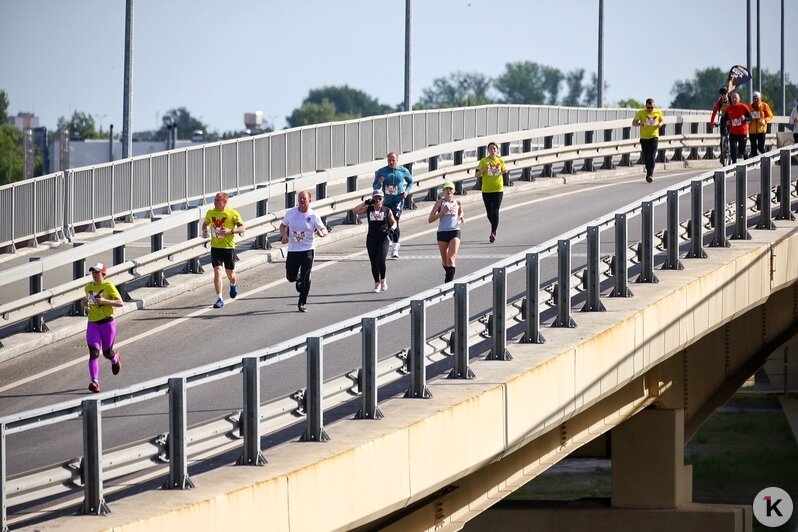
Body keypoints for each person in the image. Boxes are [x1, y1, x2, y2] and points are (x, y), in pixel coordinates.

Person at [280, 190, 328, 312]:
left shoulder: (313, 216)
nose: (302, 201)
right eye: (300, 198)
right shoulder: (291, 213)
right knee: (290, 277)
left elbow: (323, 229)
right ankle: (298, 278)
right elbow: (283, 225)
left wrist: (322, 233)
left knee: (306, 278)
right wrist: (284, 235)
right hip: (293, 250)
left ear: (309, 201)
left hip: (307, 250)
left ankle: (302, 303)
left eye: (304, 199)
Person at [82, 262, 124, 393]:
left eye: (97, 272)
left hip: (107, 323)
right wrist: (83, 303)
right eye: (93, 272)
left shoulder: (108, 286)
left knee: (107, 352)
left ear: (103, 274)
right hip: (93, 324)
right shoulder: (88, 288)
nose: (94, 275)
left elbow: (120, 303)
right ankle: (94, 382)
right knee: (94, 353)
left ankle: (115, 359)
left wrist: (105, 301)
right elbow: (88, 302)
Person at [201, 191, 245, 309]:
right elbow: (205, 224)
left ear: (225, 201)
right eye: (214, 200)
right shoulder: (211, 212)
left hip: (228, 247)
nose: (214, 202)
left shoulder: (232, 213)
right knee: (217, 272)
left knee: (230, 274)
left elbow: (242, 228)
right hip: (215, 247)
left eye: (217, 200)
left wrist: (230, 231)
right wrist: (205, 230)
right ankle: (219, 298)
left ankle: (233, 283)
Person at [351, 189, 397, 292]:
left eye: (379, 199)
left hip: (383, 238)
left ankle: (383, 280)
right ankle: (377, 283)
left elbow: (394, 222)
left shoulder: (387, 210)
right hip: (371, 238)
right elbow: (354, 211)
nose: (377, 201)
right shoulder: (369, 208)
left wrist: (391, 229)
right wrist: (365, 203)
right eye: (375, 199)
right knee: (373, 262)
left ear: (383, 200)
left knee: (380, 260)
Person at [373, 152, 413, 258]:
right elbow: (375, 186)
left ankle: (395, 248)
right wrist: (379, 182)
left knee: (395, 220)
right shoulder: (382, 171)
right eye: (389, 160)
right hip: (386, 201)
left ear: (397, 160)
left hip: (398, 200)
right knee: (387, 223)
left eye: (393, 160)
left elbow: (411, 181)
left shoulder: (403, 170)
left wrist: (407, 192)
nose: (391, 162)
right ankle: (392, 239)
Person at [428, 181, 464, 283]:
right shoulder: (439, 203)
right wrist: (442, 212)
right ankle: (448, 273)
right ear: (443, 191)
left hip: (455, 231)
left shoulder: (458, 202)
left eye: (450, 189)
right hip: (442, 233)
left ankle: (448, 284)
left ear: (454, 191)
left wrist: (461, 216)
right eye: (446, 189)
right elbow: (430, 219)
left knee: (451, 259)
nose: (448, 191)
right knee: (445, 261)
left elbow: (461, 211)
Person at [475, 141, 506, 242]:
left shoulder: (500, 160)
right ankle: (494, 226)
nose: (492, 150)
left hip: (498, 189)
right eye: (490, 149)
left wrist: (505, 171)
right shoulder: (484, 161)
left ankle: (493, 232)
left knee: (495, 211)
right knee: (489, 213)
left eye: (494, 149)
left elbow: (504, 170)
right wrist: (484, 169)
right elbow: (476, 175)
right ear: (488, 150)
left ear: (497, 150)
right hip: (487, 190)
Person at [632, 98, 664, 183]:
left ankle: (650, 174)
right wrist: (640, 124)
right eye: (648, 108)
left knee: (652, 156)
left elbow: (662, 120)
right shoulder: (641, 112)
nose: (650, 109)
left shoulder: (658, 112)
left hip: (654, 137)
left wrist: (660, 124)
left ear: (654, 106)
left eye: (651, 108)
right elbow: (633, 123)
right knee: (646, 157)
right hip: (644, 138)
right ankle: (648, 172)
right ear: (646, 106)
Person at [720, 92, 752, 164]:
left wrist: (745, 118)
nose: (734, 99)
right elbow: (724, 118)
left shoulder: (744, 107)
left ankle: (746, 156)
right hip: (733, 133)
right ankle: (734, 164)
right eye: (732, 98)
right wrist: (727, 122)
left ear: (739, 99)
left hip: (742, 133)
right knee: (733, 149)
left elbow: (750, 118)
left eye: (735, 98)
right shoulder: (729, 108)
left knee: (741, 151)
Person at [748, 91, 773, 157]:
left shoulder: (764, 106)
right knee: (753, 148)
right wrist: (748, 120)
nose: (756, 100)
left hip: (761, 130)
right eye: (754, 98)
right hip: (752, 130)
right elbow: (746, 116)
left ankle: (766, 159)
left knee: (761, 147)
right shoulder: (749, 107)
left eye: (757, 98)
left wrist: (764, 120)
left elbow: (770, 116)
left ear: (760, 99)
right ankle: (754, 163)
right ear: (752, 99)